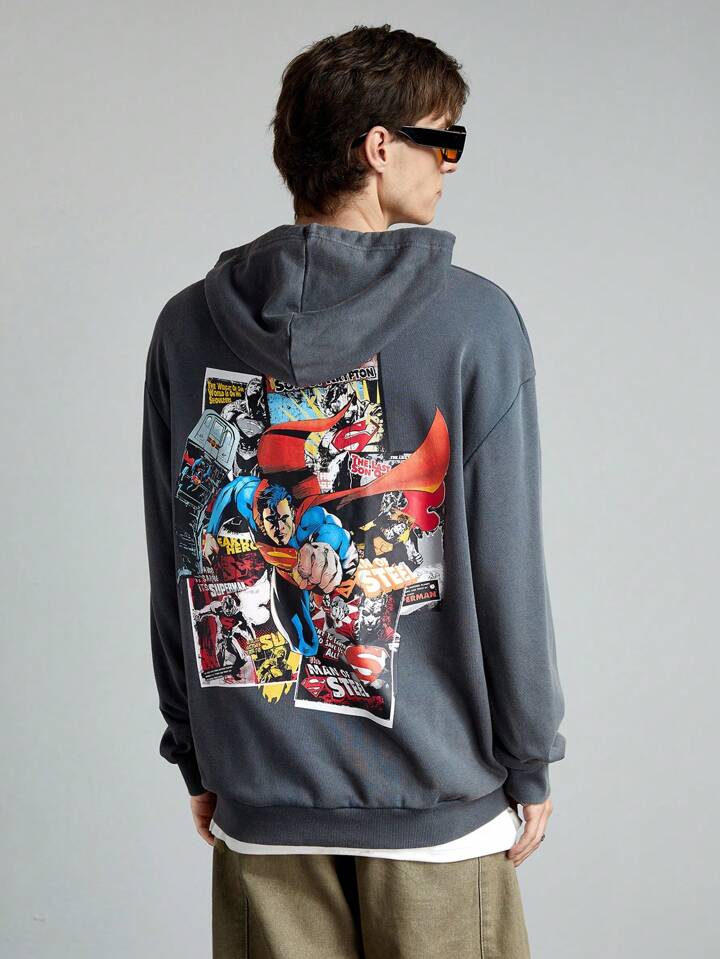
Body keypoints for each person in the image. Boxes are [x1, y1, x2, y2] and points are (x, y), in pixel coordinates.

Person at [142, 23, 566, 959]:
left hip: (261, 793)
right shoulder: (474, 321)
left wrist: (194, 747)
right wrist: (530, 755)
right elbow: (507, 565)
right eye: (443, 140)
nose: (449, 165)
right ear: (381, 147)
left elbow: (173, 553)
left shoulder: (186, 327)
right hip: (436, 800)